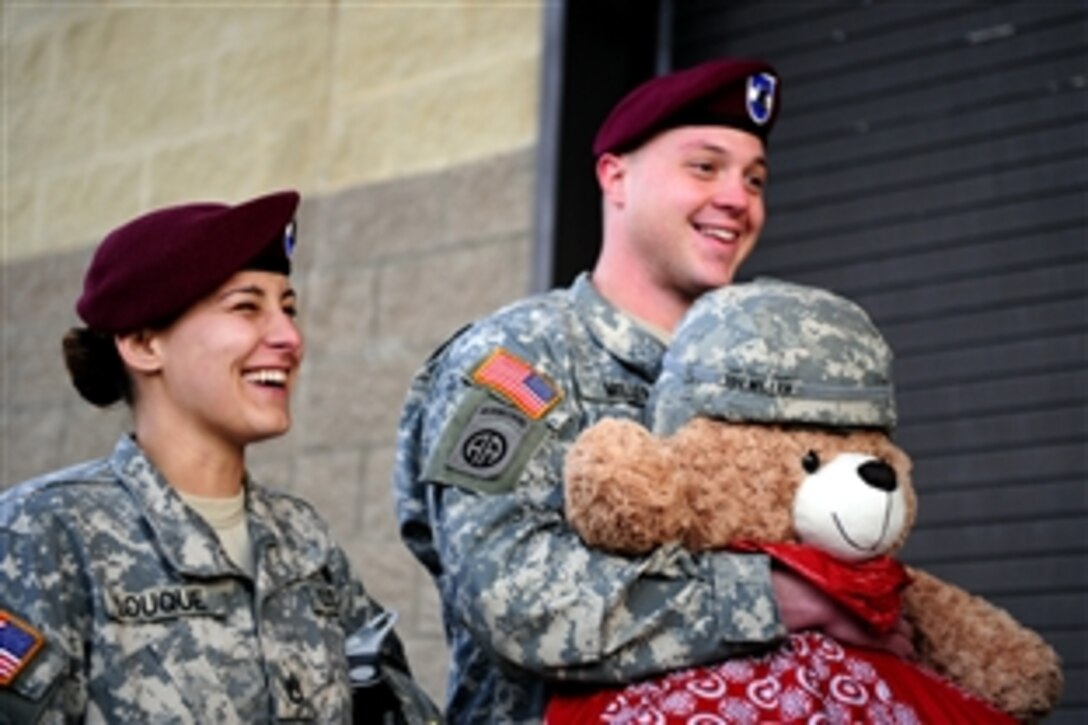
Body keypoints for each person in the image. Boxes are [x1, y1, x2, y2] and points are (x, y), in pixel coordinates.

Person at [393, 58, 913, 724]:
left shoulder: (768, 369)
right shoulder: (517, 361)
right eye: (705, 166)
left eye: (755, 178)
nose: (738, 197)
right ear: (616, 176)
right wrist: (779, 598)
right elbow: (507, 593)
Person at [0, 191, 440, 724]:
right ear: (142, 344)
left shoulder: (302, 539)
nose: (289, 338)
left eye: (289, 308)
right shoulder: (41, 535)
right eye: (246, 307)